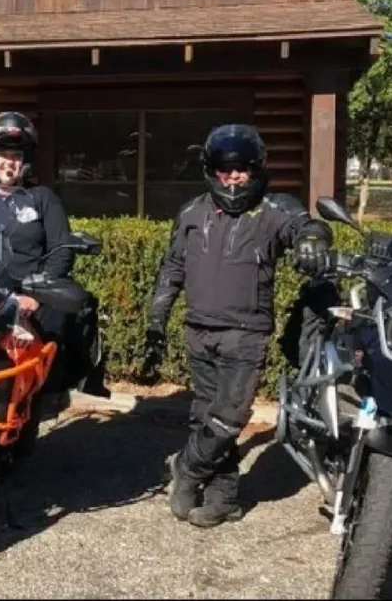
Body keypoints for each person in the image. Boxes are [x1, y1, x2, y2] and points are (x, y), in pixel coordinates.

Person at [144, 123, 331, 528]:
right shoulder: (191, 212)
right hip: (198, 329)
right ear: (212, 170)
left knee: (229, 416)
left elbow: (307, 226)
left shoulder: (273, 210)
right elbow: (174, 265)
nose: (234, 177)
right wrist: (158, 312)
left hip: (245, 334)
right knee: (205, 414)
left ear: (256, 169)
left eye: (242, 169)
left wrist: (313, 240)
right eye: (226, 169)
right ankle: (223, 497)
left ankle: (188, 466)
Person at [0, 111, 106, 406]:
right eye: (3, 154)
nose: (9, 162)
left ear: (25, 161)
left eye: (16, 155)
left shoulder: (42, 198)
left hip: (30, 291)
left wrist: (36, 296)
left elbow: (61, 251)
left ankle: (40, 400)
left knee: (53, 326)